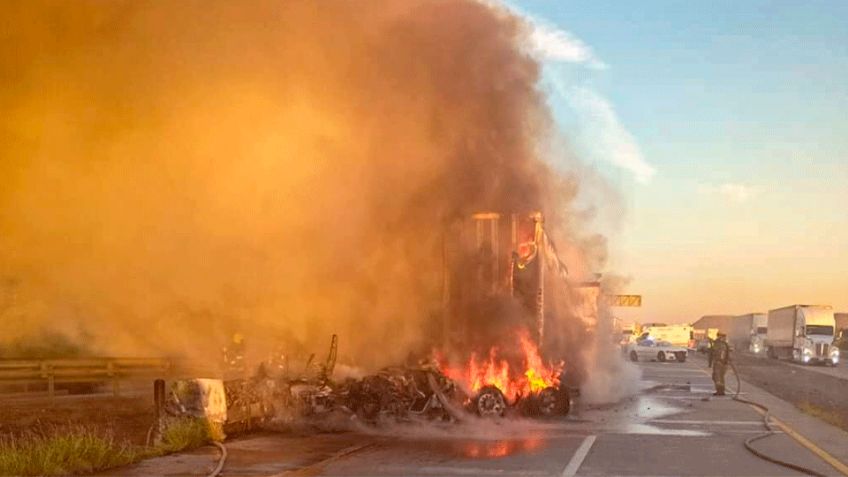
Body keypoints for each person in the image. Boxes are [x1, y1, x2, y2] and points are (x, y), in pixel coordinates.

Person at [711, 332, 731, 396]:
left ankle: (719, 391)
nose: (718, 337)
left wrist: (720, 361)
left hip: (719, 363)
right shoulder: (724, 344)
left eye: (719, 336)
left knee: (717, 377)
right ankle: (721, 391)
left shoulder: (721, 344)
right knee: (720, 377)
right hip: (723, 363)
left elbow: (721, 354)